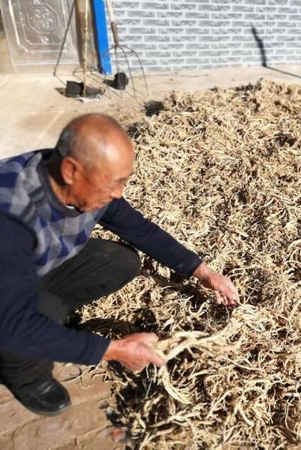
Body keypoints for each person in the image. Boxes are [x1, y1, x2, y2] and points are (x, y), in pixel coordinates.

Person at [0, 113, 239, 416]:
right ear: (70, 170)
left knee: (118, 261)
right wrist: (111, 351)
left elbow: (138, 228)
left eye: (123, 180)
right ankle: (26, 377)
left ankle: (52, 320)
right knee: (26, 325)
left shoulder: (81, 177)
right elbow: (11, 323)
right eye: (114, 183)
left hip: (31, 266)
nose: (119, 193)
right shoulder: (11, 214)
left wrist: (203, 271)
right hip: (5, 299)